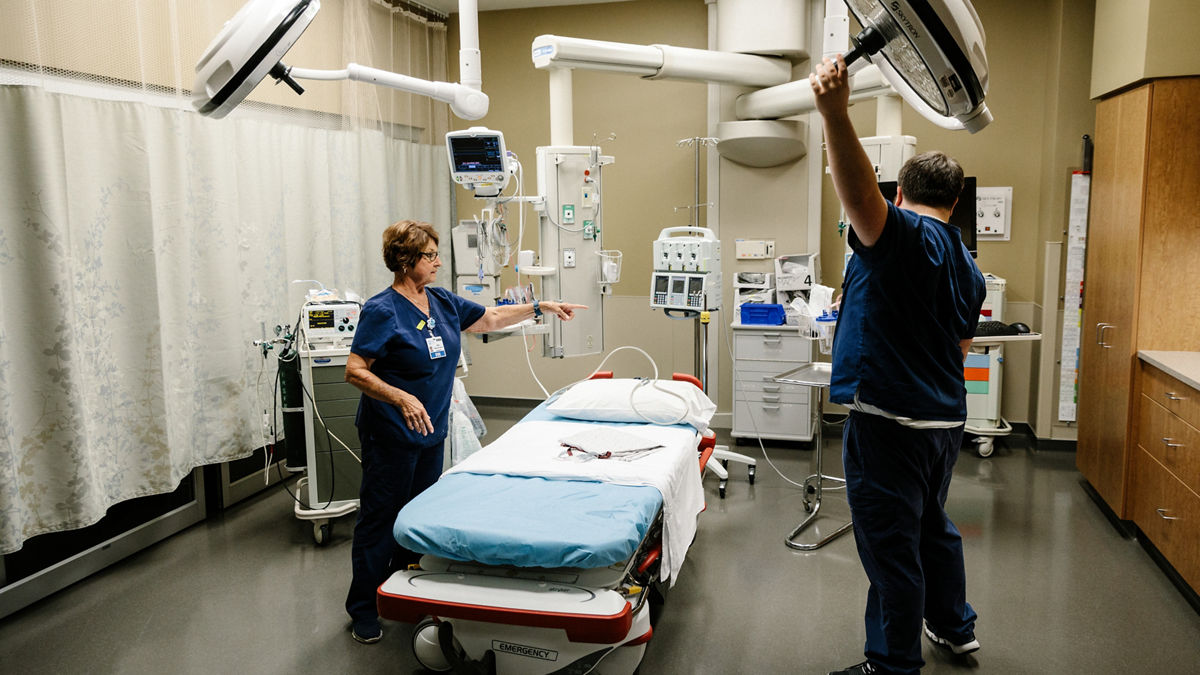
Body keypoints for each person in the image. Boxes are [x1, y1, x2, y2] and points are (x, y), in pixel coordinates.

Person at [810, 55, 987, 675]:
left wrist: (835, 111)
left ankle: (890, 665)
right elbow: (959, 349)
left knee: (890, 551)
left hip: (889, 426)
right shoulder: (968, 264)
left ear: (902, 193)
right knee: (931, 530)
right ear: (958, 198)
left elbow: (859, 200)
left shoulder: (908, 236)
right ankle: (953, 626)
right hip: (941, 426)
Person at [342, 219, 586, 644]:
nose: (438, 262)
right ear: (404, 261)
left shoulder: (439, 300)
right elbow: (355, 370)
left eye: (437, 254)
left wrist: (540, 307)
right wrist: (400, 397)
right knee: (380, 519)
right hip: (391, 435)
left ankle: (403, 590)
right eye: (430, 255)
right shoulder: (382, 310)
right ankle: (363, 606)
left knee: (417, 515)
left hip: (430, 433)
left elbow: (489, 318)